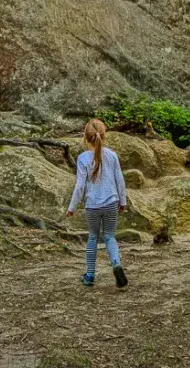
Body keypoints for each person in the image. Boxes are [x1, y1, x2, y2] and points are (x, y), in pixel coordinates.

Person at [67, 118, 129, 288]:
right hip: (111, 202)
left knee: (93, 237)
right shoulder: (112, 156)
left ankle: (90, 275)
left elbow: (80, 186)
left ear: (85, 138)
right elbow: (120, 180)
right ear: (104, 135)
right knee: (110, 236)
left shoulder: (82, 159)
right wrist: (122, 201)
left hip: (92, 206)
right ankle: (116, 263)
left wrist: (72, 207)